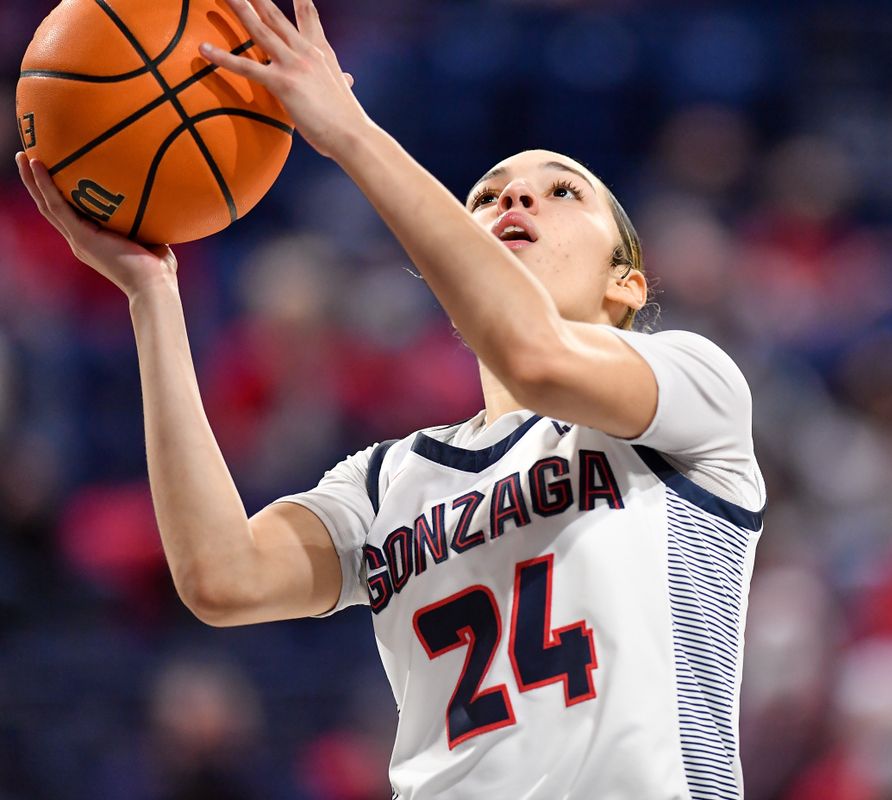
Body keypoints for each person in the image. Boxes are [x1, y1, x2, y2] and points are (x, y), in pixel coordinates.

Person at [15, 0, 766, 796]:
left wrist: (348, 129)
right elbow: (220, 576)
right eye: (486, 196)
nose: (515, 201)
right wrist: (151, 295)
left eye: (560, 191)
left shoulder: (695, 386)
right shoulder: (385, 482)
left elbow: (534, 354)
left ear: (628, 283)